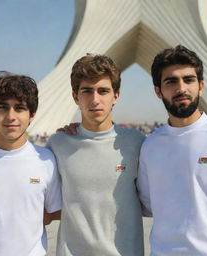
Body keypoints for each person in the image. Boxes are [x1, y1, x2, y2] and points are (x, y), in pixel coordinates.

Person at [47, 54, 146, 256]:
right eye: (87, 91)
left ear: (116, 95)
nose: (95, 100)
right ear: (76, 96)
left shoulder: (137, 144)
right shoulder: (58, 145)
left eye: (103, 91)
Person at [137, 45, 207, 255]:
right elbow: (149, 204)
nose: (181, 88)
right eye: (171, 81)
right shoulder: (150, 146)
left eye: (189, 80)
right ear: (158, 91)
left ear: (201, 86)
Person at [0, 72, 62, 256]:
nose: (10, 116)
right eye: (3, 108)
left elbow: (54, 211)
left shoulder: (45, 161)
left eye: (19, 108)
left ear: (32, 115)